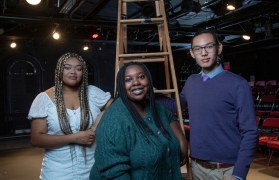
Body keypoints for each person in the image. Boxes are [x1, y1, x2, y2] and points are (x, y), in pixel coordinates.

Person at [157, 30, 258, 180]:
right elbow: (176, 106)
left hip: (226, 170)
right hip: (196, 167)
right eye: (198, 49)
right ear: (192, 53)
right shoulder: (191, 81)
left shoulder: (238, 84)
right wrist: (151, 94)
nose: (203, 53)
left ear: (219, 48)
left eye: (209, 46)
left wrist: (238, 174)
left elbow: (250, 131)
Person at [89, 62, 187, 179]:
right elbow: (114, 174)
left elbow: (171, 118)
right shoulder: (114, 121)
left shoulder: (154, 106)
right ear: (121, 85)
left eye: (141, 77)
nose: (136, 82)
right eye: (128, 80)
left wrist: (182, 143)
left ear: (149, 80)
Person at [28, 52, 113, 180]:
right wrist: (74, 138)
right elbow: (36, 139)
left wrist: (94, 129)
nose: (73, 72)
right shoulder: (44, 99)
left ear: (83, 73)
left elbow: (114, 107)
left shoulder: (92, 93)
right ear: (59, 71)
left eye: (79, 68)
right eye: (67, 67)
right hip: (56, 172)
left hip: (92, 169)